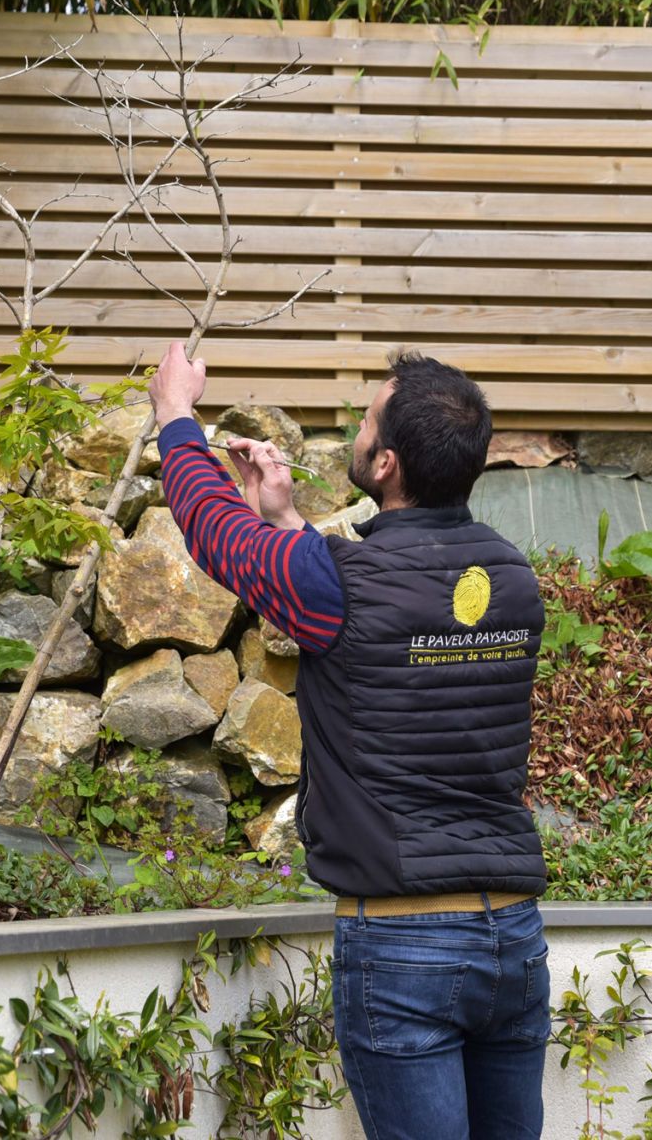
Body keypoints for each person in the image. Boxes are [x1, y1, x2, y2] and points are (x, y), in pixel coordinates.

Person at [148, 342, 550, 1140]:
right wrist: (289, 520)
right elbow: (392, 614)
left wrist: (174, 417)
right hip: (512, 938)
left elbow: (210, 529)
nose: (357, 434)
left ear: (388, 463)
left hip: (404, 946)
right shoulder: (510, 577)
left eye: (366, 423)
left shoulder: (337, 586)